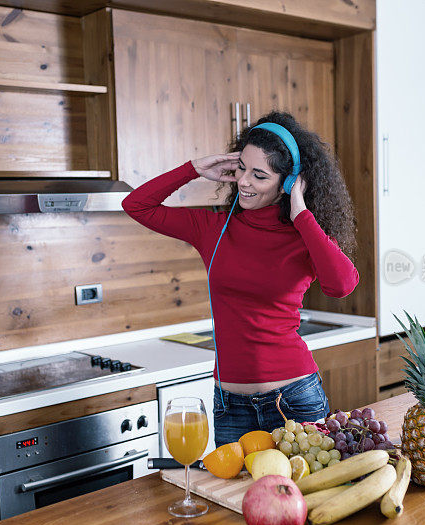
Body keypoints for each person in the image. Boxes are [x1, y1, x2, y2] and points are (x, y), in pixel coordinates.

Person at [122, 110, 359, 447]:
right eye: (241, 168)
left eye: (259, 175)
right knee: (233, 499)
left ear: (288, 182)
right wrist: (193, 170)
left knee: (305, 499)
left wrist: (302, 214)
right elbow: (136, 205)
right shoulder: (213, 229)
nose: (244, 181)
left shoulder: (304, 234)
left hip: (294, 399)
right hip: (230, 405)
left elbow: (342, 285)